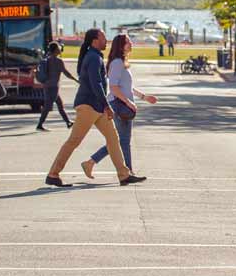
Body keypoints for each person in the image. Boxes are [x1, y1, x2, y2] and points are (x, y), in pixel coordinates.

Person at [45, 28, 145, 187]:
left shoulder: (94, 56)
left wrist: (103, 106)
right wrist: (107, 105)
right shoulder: (93, 58)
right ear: (95, 40)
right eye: (104, 38)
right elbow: (96, 83)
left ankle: (124, 174)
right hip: (88, 106)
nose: (106, 41)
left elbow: (91, 80)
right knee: (74, 141)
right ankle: (53, 174)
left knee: (113, 138)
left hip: (97, 106)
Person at [81, 35, 157, 179]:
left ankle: (91, 163)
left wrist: (144, 97)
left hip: (123, 104)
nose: (131, 44)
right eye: (128, 42)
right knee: (122, 140)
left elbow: (128, 87)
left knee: (119, 140)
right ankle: (127, 172)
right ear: (120, 45)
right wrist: (129, 102)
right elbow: (114, 87)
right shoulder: (117, 63)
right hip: (118, 105)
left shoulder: (122, 62)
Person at [36, 42, 78, 132]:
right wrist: (76, 80)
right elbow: (66, 73)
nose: (60, 49)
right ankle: (39, 125)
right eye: (59, 48)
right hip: (53, 87)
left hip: (47, 85)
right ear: (55, 50)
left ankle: (68, 122)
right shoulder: (58, 61)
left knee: (59, 104)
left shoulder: (47, 59)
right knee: (47, 106)